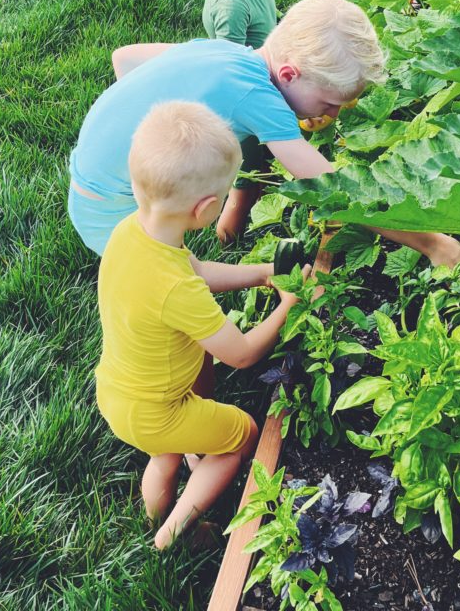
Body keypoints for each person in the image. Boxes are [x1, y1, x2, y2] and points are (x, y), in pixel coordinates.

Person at [68, 0, 460, 292]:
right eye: (330, 103)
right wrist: (433, 242)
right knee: (179, 284)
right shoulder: (263, 99)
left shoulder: (224, 52)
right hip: (110, 209)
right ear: (290, 75)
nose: (331, 116)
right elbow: (334, 191)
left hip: (86, 177)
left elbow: (123, 58)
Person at [95, 100, 310, 550]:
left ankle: (155, 515)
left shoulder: (129, 234)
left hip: (119, 396)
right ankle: (174, 535)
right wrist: (290, 303)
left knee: (165, 453)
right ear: (207, 208)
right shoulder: (176, 288)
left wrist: (263, 272)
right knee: (240, 435)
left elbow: (199, 271)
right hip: (161, 409)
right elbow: (243, 353)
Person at [202, 0, 296, 241]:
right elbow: (226, 74)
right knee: (247, 182)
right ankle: (227, 240)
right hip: (244, 109)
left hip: (263, 87)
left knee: (264, 173)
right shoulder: (230, 2)